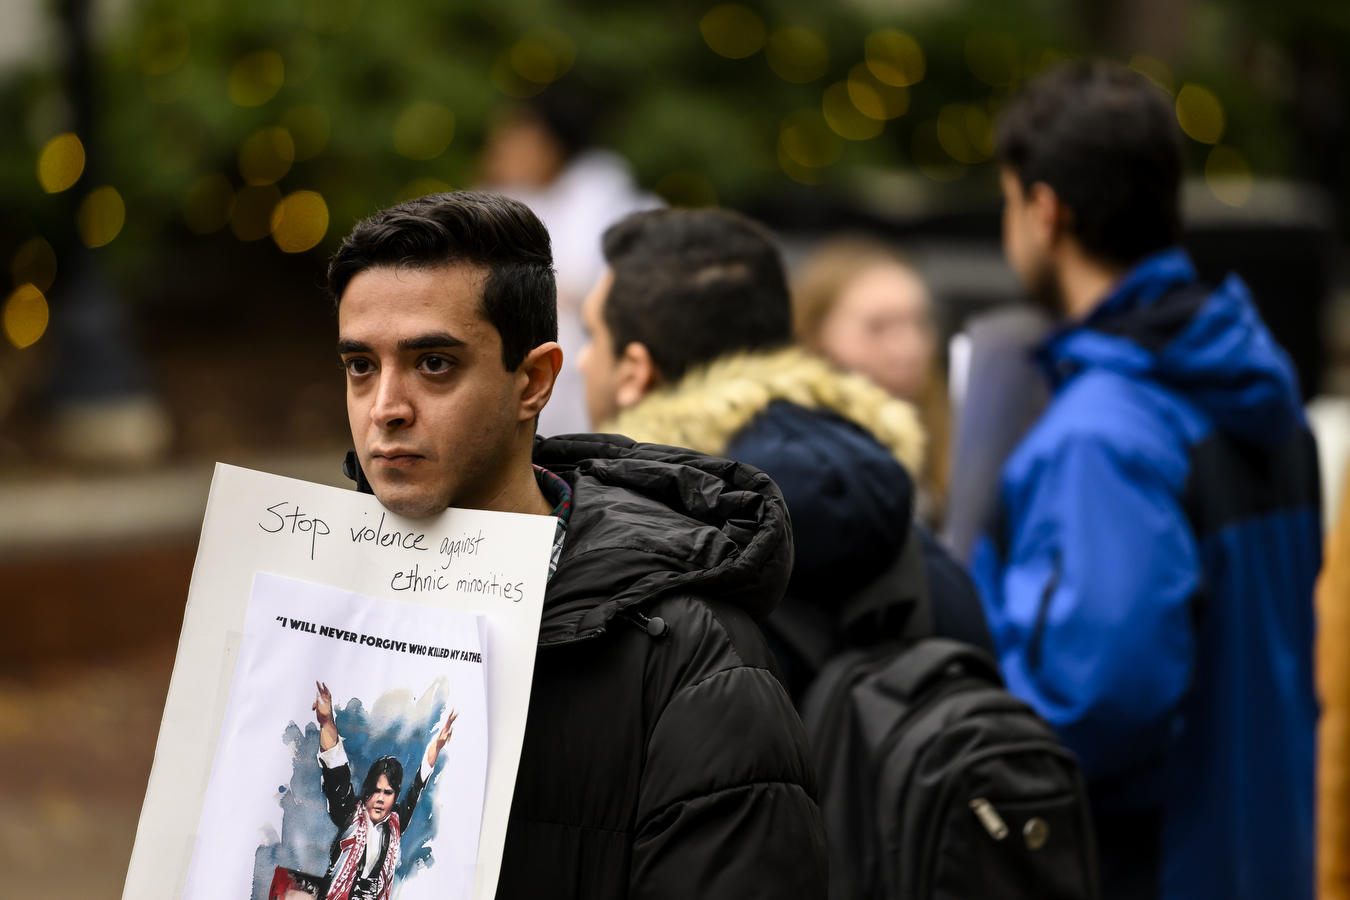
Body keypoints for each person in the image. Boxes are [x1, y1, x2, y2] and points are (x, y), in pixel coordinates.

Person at [330, 191, 828, 899]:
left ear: (532, 381)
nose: (386, 407)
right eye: (360, 367)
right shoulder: (305, 606)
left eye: (434, 364)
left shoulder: (692, 660)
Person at [970, 61, 1319, 900]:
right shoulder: (1257, 386)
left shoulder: (1105, 434)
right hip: (1261, 850)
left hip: (1150, 867)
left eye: (1010, 202)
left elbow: (1092, 701)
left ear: (1044, 211)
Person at [577, 208, 994, 701]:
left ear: (634, 373)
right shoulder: (903, 527)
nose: (582, 359)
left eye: (592, 336)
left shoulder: (635, 561)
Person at [478, 91, 660, 437]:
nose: (500, 149)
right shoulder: (514, 196)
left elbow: (577, 278)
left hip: (586, 382)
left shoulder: (603, 193)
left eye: (516, 138)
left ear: (551, 144)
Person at [792, 238, 951, 523]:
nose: (907, 348)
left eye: (919, 323)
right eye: (877, 327)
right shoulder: (791, 462)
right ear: (816, 336)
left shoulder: (951, 442)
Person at [310, 682, 457, 900]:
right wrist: (325, 721)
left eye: (388, 793)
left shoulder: (396, 822)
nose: (380, 799)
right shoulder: (350, 813)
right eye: (376, 791)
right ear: (367, 792)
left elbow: (417, 785)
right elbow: (336, 770)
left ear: (395, 796)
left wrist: (436, 746)